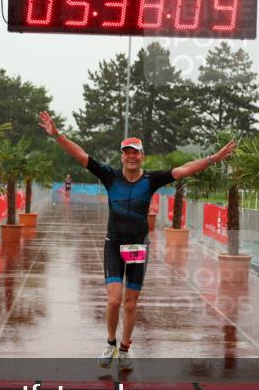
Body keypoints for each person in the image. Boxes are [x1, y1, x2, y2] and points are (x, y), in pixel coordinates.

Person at [38, 111, 235, 370]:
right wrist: (57, 135)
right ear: (122, 156)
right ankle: (110, 343)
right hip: (114, 244)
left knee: (131, 303)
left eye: (136, 152)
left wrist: (214, 158)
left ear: (142, 156)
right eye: (127, 152)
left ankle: (126, 348)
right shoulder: (109, 176)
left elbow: (185, 169)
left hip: (138, 249)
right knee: (114, 300)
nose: (131, 156)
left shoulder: (152, 179)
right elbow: (80, 155)